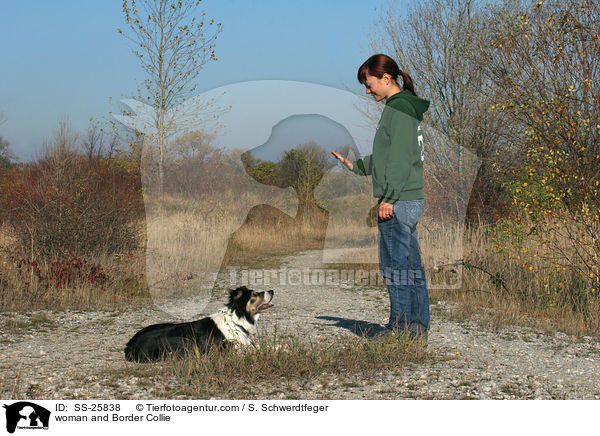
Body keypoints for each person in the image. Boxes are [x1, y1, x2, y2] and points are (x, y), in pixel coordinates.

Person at [331, 54, 430, 340]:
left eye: (369, 83)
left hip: (398, 202)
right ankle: (416, 331)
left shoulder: (398, 109)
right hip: (409, 199)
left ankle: (399, 331)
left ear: (385, 78)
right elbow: (390, 155)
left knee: (394, 268)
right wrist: (355, 166)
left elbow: (399, 159)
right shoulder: (403, 108)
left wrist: (389, 198)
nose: (367, 90)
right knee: (411, 267)